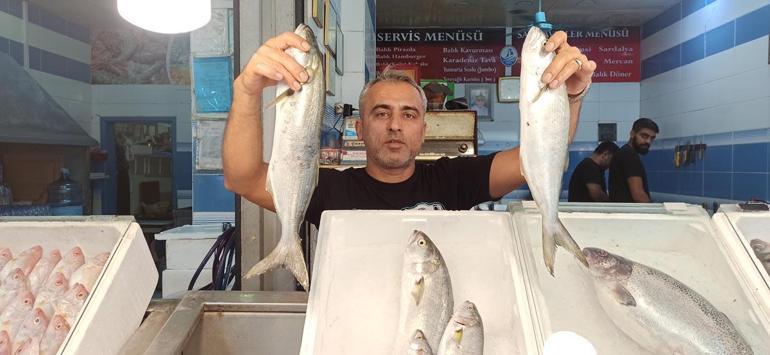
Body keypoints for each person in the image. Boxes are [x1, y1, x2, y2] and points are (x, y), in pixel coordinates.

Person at [222, 30, 597, 227]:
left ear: (424, 127)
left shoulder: (452, 180)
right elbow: (243, 178)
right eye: (381, 113)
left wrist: (570, 98)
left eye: (409, 115)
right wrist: (246, 89)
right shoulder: (328, 189)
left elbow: (538, 158)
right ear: (359, 127)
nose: (396, 126)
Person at [609, 118, 659, 203]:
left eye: (652, 138)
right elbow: (638, 195)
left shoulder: (624, 152)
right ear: (632, 133)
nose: (648, 141)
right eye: (644, 136)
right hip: (629, 214)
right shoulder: (629, 155)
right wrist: (654, 213)